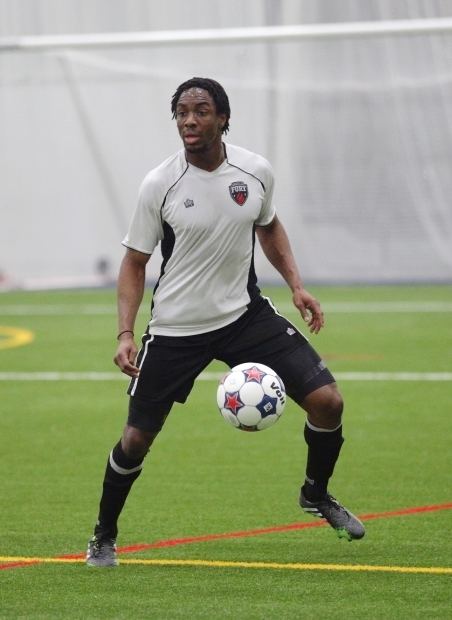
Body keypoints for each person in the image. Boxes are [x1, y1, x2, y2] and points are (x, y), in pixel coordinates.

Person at [86, 77, 365, 567]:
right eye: (181, 113)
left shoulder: (254, 171)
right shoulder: (160, 184)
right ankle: (103, 536)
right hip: (175, 327)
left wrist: (297, 285)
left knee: (328, 402)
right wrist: (126, 333)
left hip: (244, 315)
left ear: (223, 118)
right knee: (135, 440)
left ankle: (316, 494)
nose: (189, 121)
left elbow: (269, 223)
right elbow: (134, 262)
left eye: (200, 111)